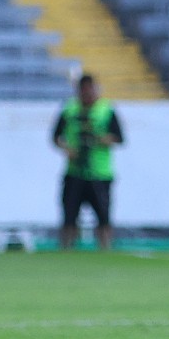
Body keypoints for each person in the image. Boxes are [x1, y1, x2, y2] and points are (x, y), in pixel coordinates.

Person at [51, 73, 124, 251]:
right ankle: (66, 250)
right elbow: (55, 137)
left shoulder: (106, 110)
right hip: (74, 171)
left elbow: (119, 137)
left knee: (103, 216)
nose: (86, 95)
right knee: (69, 215)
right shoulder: (69, 109)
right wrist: (67, 149)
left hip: (100, 173)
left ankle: (105, 250)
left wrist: (101, 139)